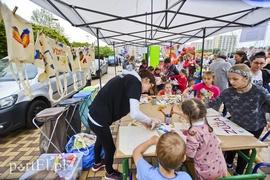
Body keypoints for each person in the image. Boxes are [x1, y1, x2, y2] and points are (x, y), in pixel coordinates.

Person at [88, 69, 161, 180]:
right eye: (149, 87)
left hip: (95, 115)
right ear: (146, 80)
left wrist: (144, 122)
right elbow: (135, 113)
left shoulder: (129, 78)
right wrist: (150, 120)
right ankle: (109, 173)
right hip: (98, 118)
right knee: (110, 148)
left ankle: (97, 163)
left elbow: (132, 109)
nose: (147, 91)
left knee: (101, 139)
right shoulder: (135, 83)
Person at [207, 64, 270, 175]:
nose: (231, 82)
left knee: (244, 150)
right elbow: (212, 103)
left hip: (254, 127)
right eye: (229, 78)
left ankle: (239, 173)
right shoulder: (228, 91)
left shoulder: (260, 91)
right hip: (235, 124)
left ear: (246, 78)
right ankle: (228, 164)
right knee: (231, 147)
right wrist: (194, 106)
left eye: (235, 79)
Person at [175, 98, 227, 180]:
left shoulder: (193, 132)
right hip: (220, 166)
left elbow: (190, 154)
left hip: (205, 171)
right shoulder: (206, 123)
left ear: (186, 116)